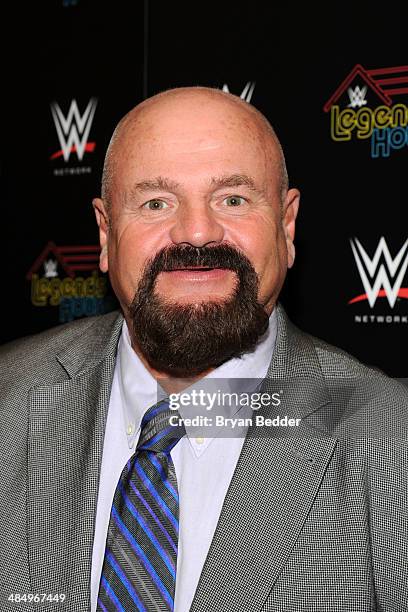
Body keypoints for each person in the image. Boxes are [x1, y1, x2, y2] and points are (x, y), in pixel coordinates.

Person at [1, 86, 407, 612]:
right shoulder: (9, 398)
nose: (196, 231)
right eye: (155, 202)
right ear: (104, 233)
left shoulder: (390, 437)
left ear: (287, 225)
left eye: (232, 199)